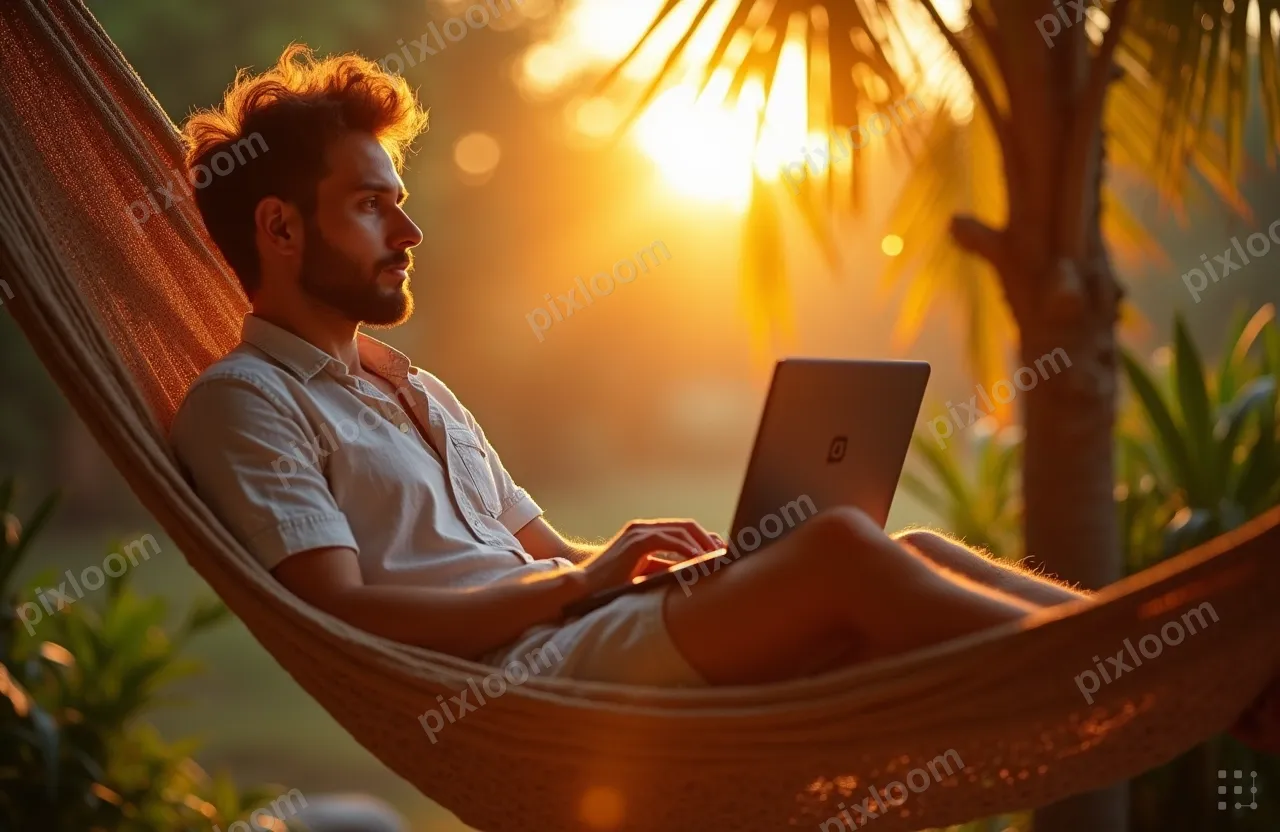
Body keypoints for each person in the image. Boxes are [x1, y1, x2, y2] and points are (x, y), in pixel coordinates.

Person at [169, 44, 1090, 694]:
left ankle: (1149, 639)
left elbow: (547, 558)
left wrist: (659, 567)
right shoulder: (245, 401)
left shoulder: (419, 391)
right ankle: (1138, 670)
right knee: (839, 550)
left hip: (580, 630)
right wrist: (580, 587)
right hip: (522, 684)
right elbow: (346, 612)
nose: (410, 234)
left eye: (401, 204)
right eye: (372, 206)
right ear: (280, 228)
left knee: (906, 548)